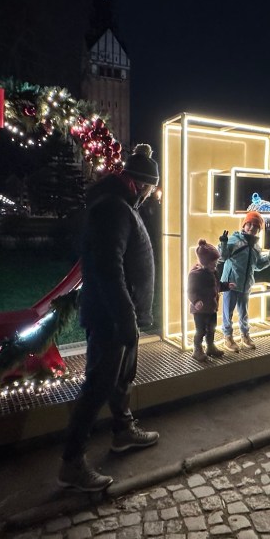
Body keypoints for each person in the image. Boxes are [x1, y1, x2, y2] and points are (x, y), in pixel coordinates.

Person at [57, 143, 161, 492]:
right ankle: (72, 463)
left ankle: (123, 432)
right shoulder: (113, 208)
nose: (149, 195)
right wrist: (125, 316)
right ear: (142, 184)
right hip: (110, 317)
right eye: (151, 188)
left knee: (120, 379)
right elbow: (107, 268)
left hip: (119, 314)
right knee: (98, 385)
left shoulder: (119, 204)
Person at [219, 210, 270, 351]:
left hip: (245, 286)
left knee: (244, 313)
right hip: (231, 284)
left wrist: (269, 257)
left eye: (255, 226)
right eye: (249, 224)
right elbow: (223, 257)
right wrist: (224, 243)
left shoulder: (256, 246)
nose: (251, 227)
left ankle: (245, 335)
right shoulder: (235, 239)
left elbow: (256, 266)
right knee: (228, 312)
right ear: (244, 225)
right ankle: (228, 337)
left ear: (259, 229)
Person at [187, 239, 224, 362]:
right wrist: (196, 301)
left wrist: (227, 286)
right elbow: (190, 291)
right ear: (204, 263)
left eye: (215, 263)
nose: (215, 266)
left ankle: (210, 346)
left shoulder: (214, 272)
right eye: (212, 264)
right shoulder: (195, 274)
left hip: (212, 307)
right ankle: (197, 349)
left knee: (212, 328)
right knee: (200, 330)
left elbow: (217, 285)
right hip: (200, 310)